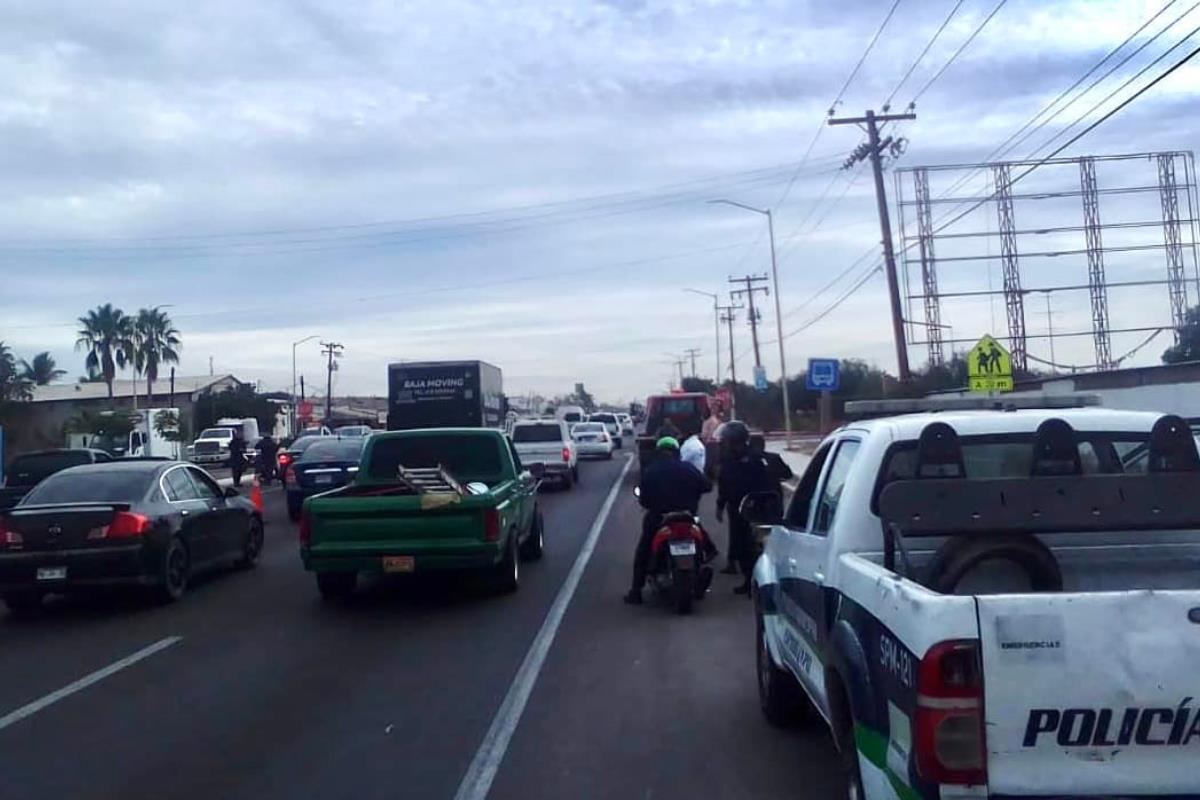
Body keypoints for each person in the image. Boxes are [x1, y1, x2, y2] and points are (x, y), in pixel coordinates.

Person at [625, 437, 714, 605]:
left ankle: (636, 591)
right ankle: (706, 557)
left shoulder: (651, 471)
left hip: (660, 518)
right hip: (687, 517)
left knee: (644, 550)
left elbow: (644, 500)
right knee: (704, 540)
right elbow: (707, 486)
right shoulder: (688, 468)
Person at [715, 421, 772, 595]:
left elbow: (766, 484)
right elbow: (723, 485)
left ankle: (758, 582)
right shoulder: (727, 460)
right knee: (741, 547)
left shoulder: (755, 459)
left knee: (755, 547)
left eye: (729, 440)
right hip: (735, 509)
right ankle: (748, 580)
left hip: (755, 509)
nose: (726, 444)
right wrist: (720, 505)